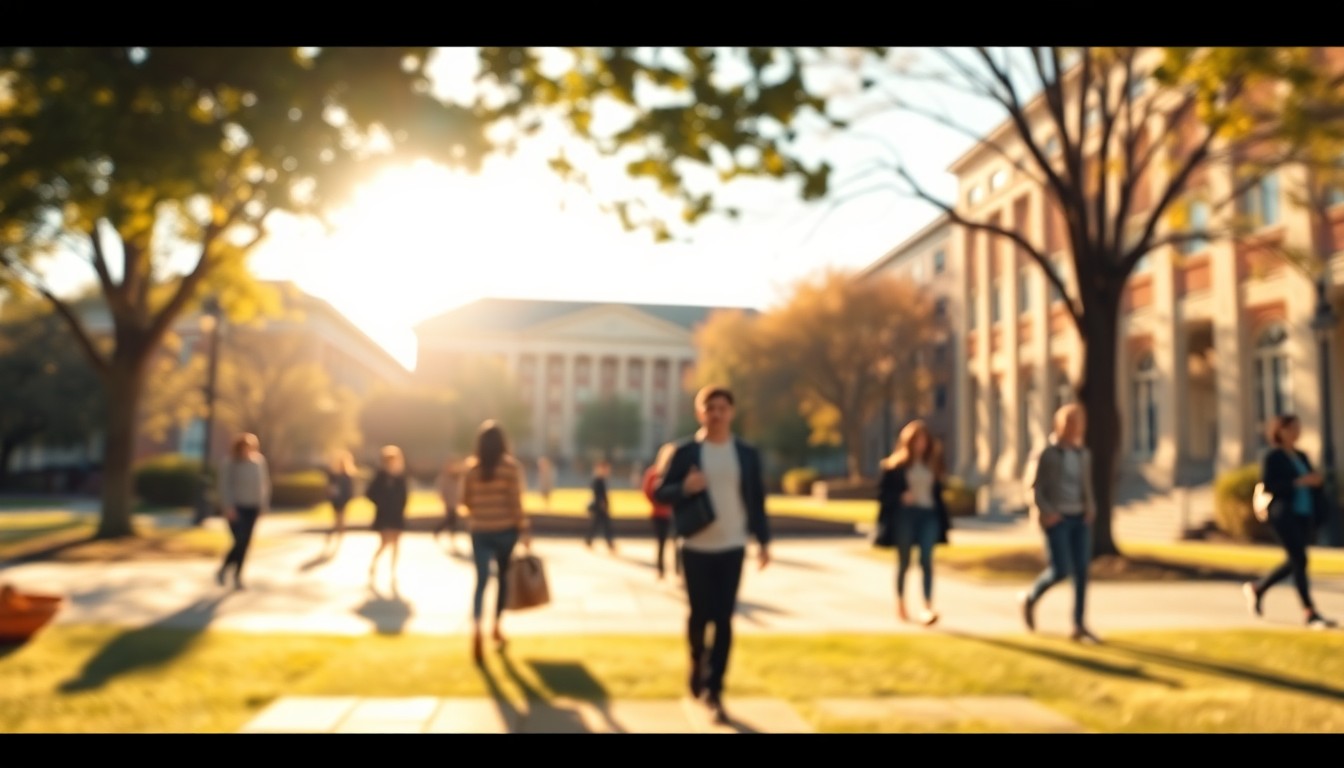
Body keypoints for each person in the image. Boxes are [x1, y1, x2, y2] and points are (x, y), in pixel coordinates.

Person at [654, 385, 770, 726]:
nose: (716, 414)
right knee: (698, 614)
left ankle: (714, 688)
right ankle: (696, 660)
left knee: (724, 617)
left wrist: (763, 541)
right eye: (710, 408)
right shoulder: (685, 452)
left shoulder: (746, 453)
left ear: (731, 412)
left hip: (733, 546)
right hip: (695, 547)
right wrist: (685, 488)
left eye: (722, 408)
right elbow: (660, 492)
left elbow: (756, 501)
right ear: (699, 413)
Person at [1243, 414, 1337, 629]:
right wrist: (1299, 481)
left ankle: (1258, 588)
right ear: (1280, 431)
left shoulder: (1301, 456)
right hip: (1283, 514)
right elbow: (1269, 485)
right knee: (1299, 559)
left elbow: (1314, 481)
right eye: (1292, 428)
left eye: (1298, 428)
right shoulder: (1272, 457)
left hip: (1304, 513)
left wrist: (1316, 481)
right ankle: (1310, 612)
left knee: (1296, 560)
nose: (1296, 432)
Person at [1019, 404, 1101, 643]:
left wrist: (1091, 507)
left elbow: (1086, 486)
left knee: (1082, 573)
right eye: (1070, 422)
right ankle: (1030, 598)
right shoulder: (1047, 453)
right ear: (1059, 424)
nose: (1074, 427)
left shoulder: (1084, 454)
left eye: (1078, 422)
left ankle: (1078, 625)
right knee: (1061, 569)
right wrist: (1047, 512)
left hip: (1080, 519)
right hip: (1057, 520)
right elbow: (1034, 488)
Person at [460, 420, 532, 663]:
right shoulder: (510, 468)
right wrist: (524, 530)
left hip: (480, 530)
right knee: (502, 579)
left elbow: (465, 502)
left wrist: (481, 510)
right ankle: (496, 626)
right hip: (505, 531)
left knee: (480, 581)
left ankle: (477, 627)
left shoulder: (472, 470)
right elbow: (516, 502)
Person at [877, 420, 951, 626]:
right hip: (906, 516)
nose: (921, 444)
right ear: (909, 442)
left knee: (927, 560)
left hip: (928, 516)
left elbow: (939, 492)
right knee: (904, 561)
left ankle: (927, 607)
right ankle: (900, 602)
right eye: (917, 440)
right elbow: (883, 494)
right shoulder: (896, 466)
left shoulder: (933, 464)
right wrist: (901, 497)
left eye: (924, 440)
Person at [216, 433, 271, 591]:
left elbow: (264, 485)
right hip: (236, 508)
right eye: (245, 448)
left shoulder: (259, 462)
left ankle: (237, 576)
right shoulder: (230, 463)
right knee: (239, 540)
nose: (248, 451)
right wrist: (228, 507)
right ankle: (225, 568)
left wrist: (263, 505)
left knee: (245, 543)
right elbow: (225, 486)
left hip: (252, 507)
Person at [366, 445, 410, 591]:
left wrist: (402, 508)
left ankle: (393, 569)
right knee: (385, 542)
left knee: (396, 542)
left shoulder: (400, 476)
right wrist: (382, 502)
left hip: (396, 514)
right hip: (384, 514)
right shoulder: (381, 476)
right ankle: (374, 563)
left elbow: (405, 495)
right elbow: (370, 493)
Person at [642, 443, 679, 579]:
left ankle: (677, 569)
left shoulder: (676, 473)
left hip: (674, 513)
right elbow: (646, 491)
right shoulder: (653, 473)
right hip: (660, 514)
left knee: (678, 543)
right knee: (662, 543)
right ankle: (661, 568)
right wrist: (657, 502)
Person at [324, 449, 357, 543]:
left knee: (341, 520)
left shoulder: (347, 475)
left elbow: (350, 489)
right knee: (338, 520)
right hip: (336, 499)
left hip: (344, 499)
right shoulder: (334, 475)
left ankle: (338, 537)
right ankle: (334, 535)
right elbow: (330, 487)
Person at [586, 459, 616, 552]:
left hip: (600, 507)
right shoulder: (598, 480)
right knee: (605, 526)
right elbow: (598, 494)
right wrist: (603, 504)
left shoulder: (600, 479)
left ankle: (589, 541)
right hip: (600, 507)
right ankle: (609, 544)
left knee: (597, 525)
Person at [435, 456, 464, 554]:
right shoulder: (445, 477)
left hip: (454, 502)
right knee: (451, 521)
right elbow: (443, 490)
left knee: (451, 521)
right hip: (449, 502)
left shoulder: (457, 477)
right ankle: (439, 531)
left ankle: (439, 532)